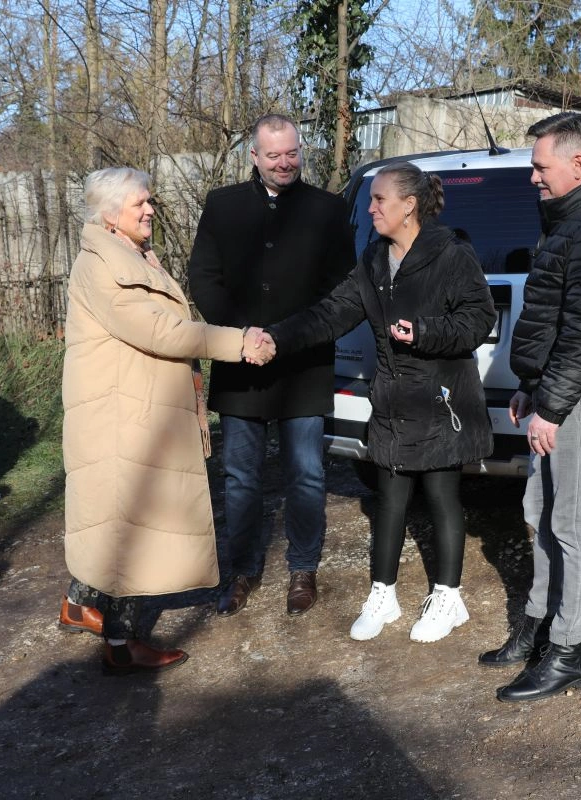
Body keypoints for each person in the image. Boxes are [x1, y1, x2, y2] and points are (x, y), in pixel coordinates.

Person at [258, 161, 495, 643]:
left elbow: (479, 318)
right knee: (389, 499)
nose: (370, 208)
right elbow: (331, 313)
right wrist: (278, 338)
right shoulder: (372, 260)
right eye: (370, 200)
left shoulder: (452, 255)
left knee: (441, 495)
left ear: (409, 206)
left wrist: (425, 332)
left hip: (440, 395)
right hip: (390, 396)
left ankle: (449, 598)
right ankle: (383, 595)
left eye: (379, 200)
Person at [60, 166, 274, 675]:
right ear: (111, 215)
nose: (150, 209)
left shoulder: (125, 254)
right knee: (135, 526)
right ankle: (121, 642)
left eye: (149, 201)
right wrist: (236, 342)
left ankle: (82, 603)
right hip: (124, 418)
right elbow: (160, 330)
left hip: (134, 410)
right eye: (140, 204)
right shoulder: (103, 266)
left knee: (120, 520)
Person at [479, 113, 581, 701]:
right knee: (540, 510)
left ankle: (569, 651)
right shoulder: (570, 222)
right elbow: (556, 318)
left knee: (573, 523)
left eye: (538, 166)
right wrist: (532, 384)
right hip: (560, 391)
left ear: (578, 164)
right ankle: (539, 625)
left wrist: (552, 405)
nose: (531, 177)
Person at [188, 113, 355, 618]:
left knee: (305, 474)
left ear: (302, 151)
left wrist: (286, 337)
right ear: (254, 157)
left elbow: (340, 291)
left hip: (303, 365)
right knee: (240, 476)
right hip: (240, 365)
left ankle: (303, 569)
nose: (285, 163)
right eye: (273, 155)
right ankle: (241, 571)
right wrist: (240, 337)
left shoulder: (327, 210)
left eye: (292, 153)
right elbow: (204, 277)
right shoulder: (223, 205)